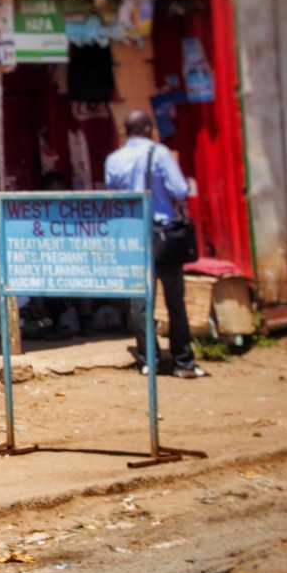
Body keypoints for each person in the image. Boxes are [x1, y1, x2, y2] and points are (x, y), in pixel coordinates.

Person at [104, 109, 206, 379]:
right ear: (149, 128)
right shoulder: (159, 153)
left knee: (140, 301)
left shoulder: (114, 159)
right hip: (162, 235)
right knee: (174, 300)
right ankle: (183, 361)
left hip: (130, 235)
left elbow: (114, 195)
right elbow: (180, 190)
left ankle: (149, 361)